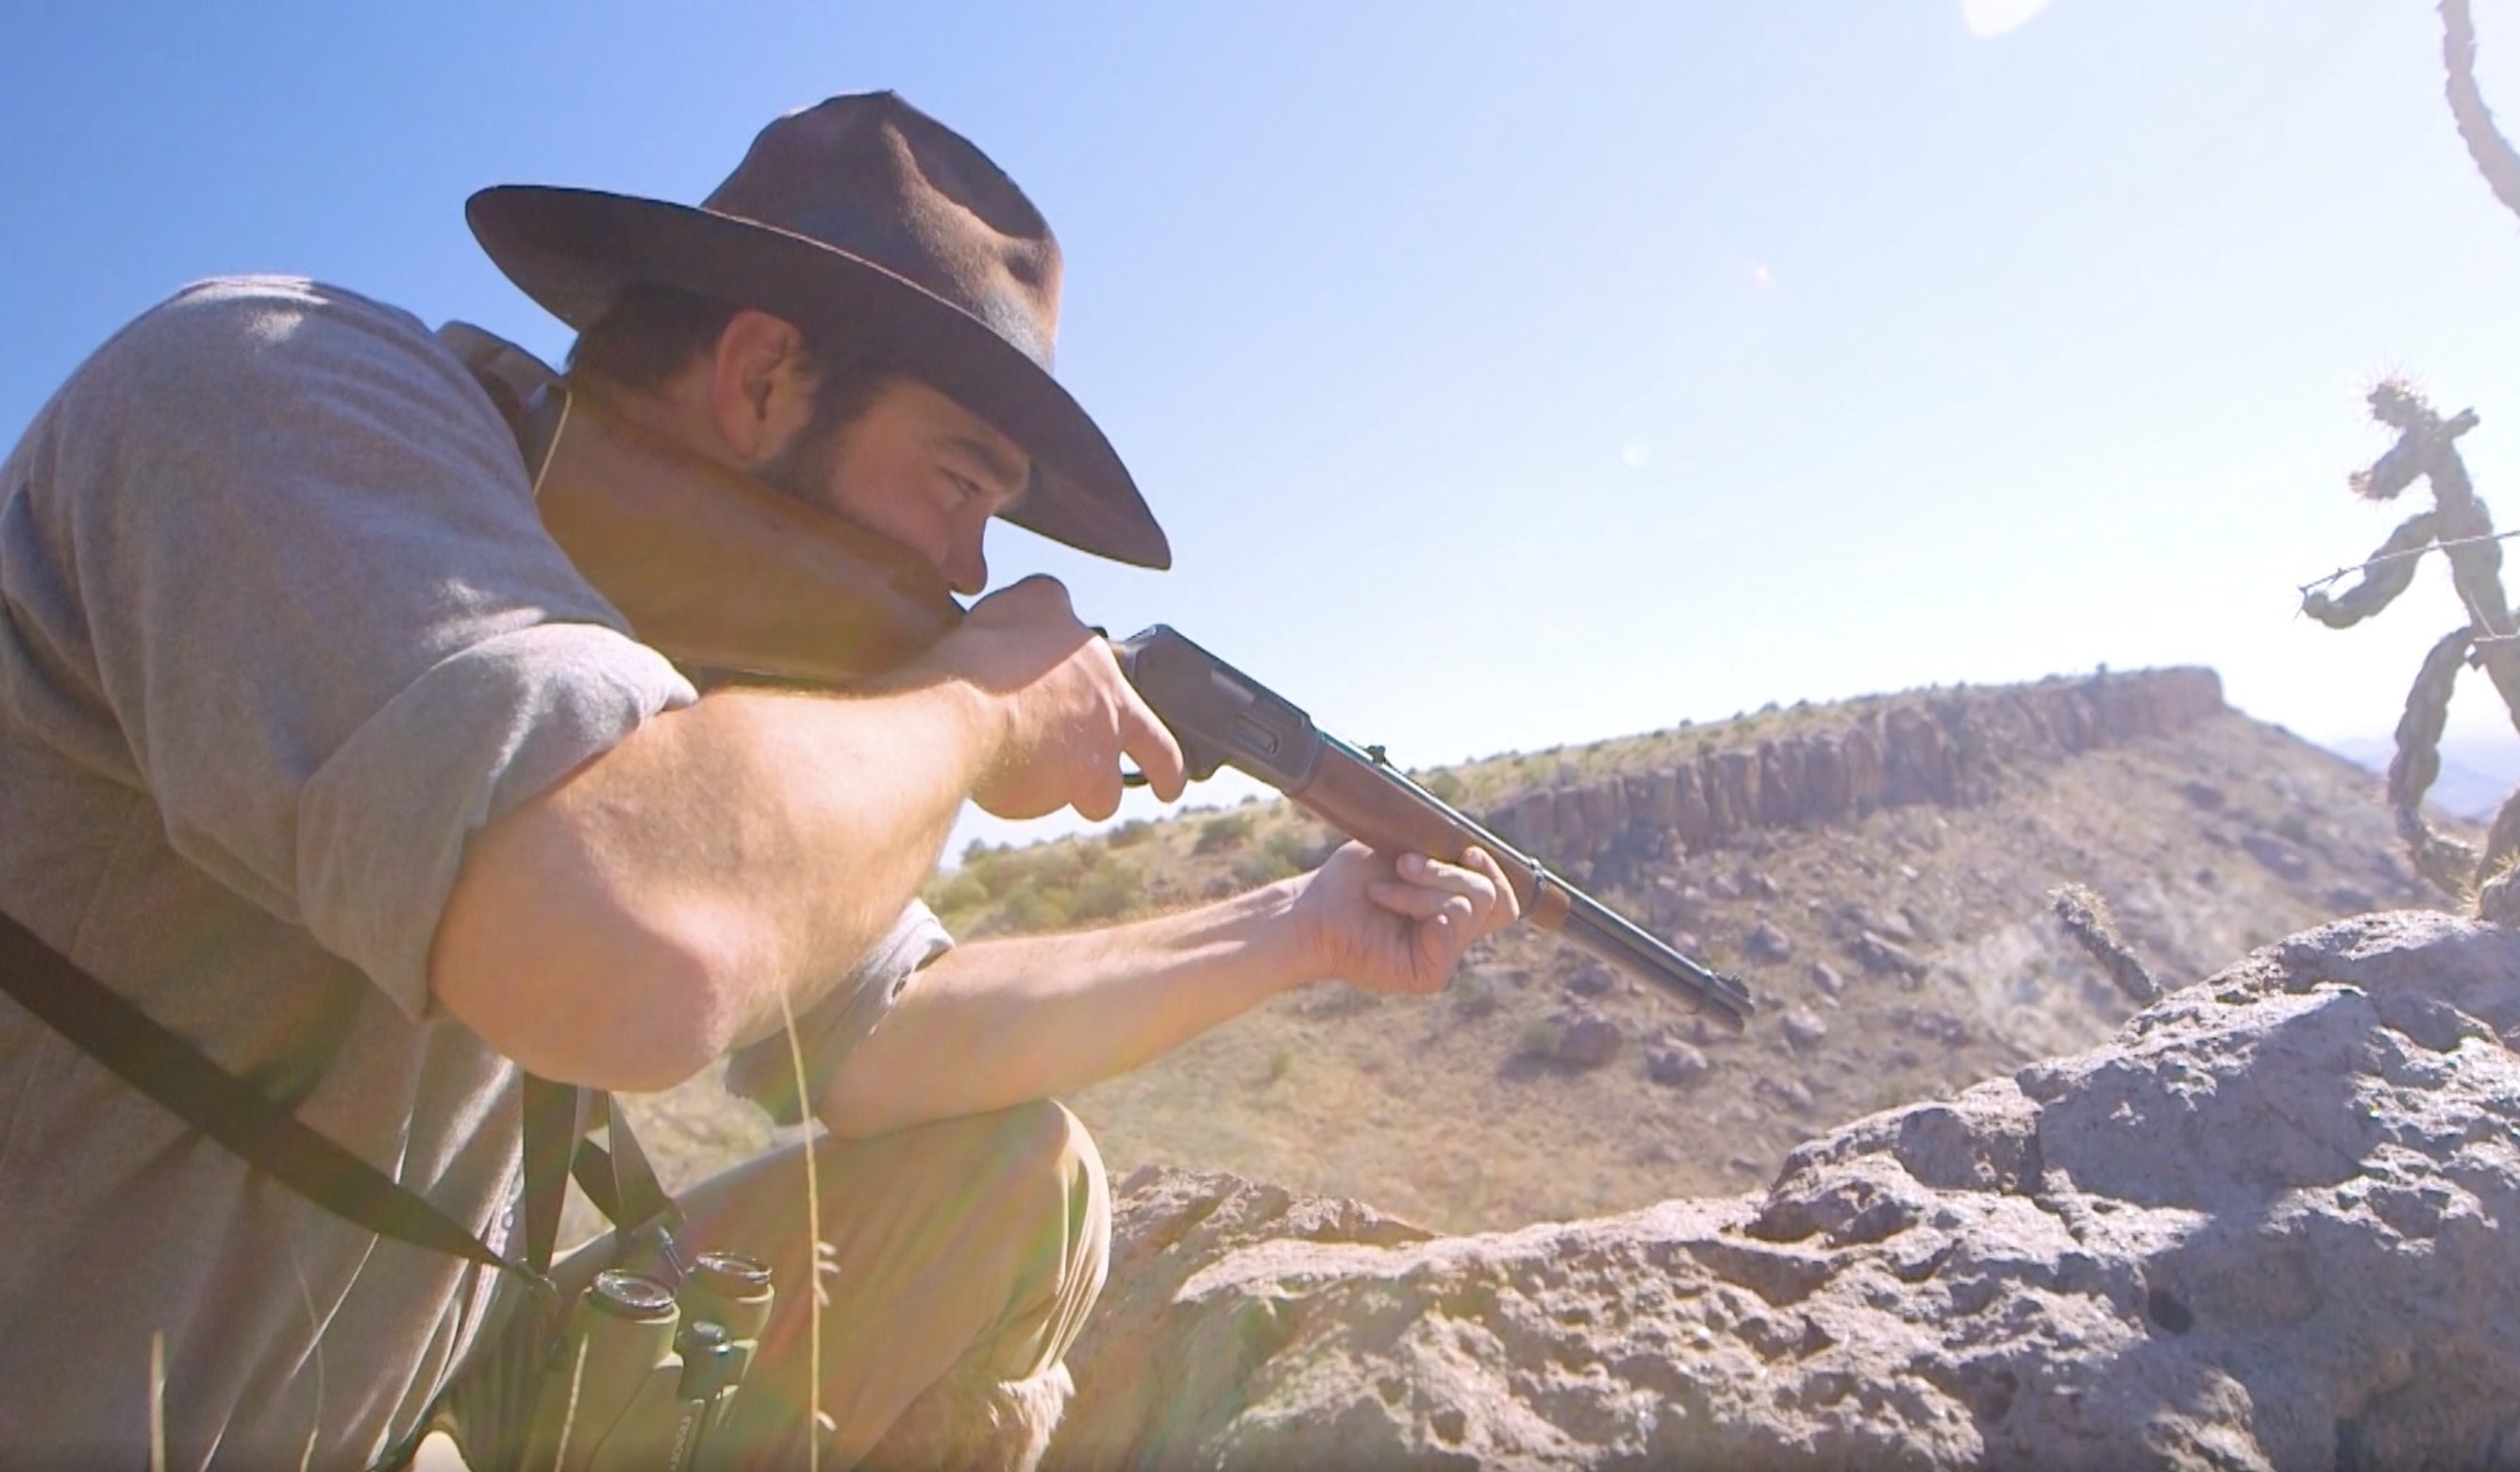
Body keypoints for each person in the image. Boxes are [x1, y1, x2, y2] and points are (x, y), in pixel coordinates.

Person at [0, 92, 1516, 1471]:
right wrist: (977, 704)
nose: (979, 569)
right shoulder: (268, 389)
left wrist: (1294, 930)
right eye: (959, 482)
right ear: (761, 374)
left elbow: (882, 1038)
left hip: (416, 1421)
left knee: (1013, 1191)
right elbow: (623, 945)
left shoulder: (683, 682)